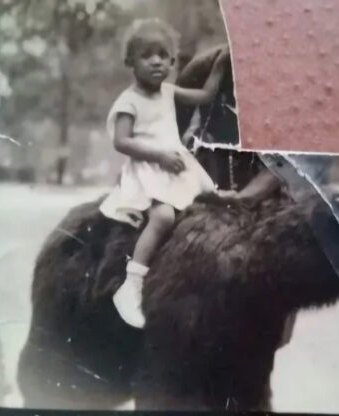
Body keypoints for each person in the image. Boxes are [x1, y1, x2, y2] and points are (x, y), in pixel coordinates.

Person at [101, 19, 230, 328]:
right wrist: (158, 154)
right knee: (163, 217)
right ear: (130, 62)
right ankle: (132, 284)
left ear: (173, 62)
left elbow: (205, 97)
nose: (156, 61)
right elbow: (121, 141)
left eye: (163, 55)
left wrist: (220, 65)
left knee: (209, 201)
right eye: (147, 55)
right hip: (149, 168)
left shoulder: (169, 91)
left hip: (175, 165)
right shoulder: (128, 101)